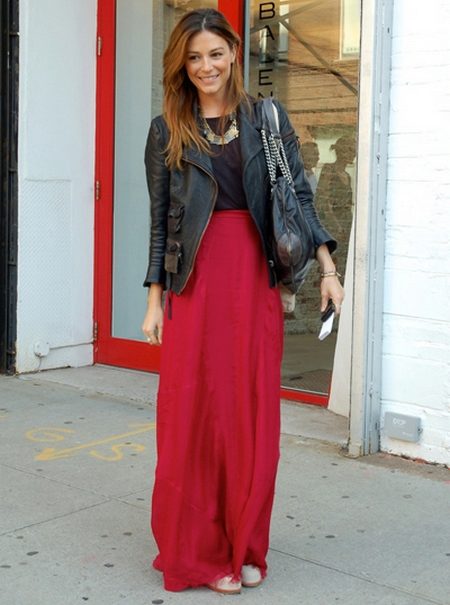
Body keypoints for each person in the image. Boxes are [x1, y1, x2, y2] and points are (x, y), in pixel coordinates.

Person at [141, 8, 344, 595]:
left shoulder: (266, 120)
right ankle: (199, 552)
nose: (205, 66)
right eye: (194, 57)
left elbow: (296, 197)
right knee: (191, 418)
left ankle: (245, 544)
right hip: (193, 284)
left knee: (249, 417)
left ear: (234, 52)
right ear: (182, 64)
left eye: (215, 53)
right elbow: (161, 221)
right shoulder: (167, 129)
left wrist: (328, 268)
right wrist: (154, 299)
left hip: (253, 279)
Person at [315, 135, 356, 272]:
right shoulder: (329, 169)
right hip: (332, 224)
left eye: (354, 151)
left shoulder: (347, 176)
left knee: (344, 259)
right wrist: (336, 225)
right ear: (341, 151)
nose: (354, 154)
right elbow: (323, 200)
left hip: (346, 222)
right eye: (350, 150)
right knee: (330, 259)